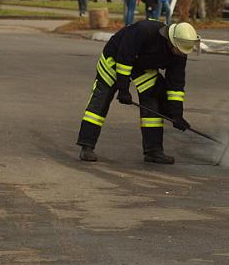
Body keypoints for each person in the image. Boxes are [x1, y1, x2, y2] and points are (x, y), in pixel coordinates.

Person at [76, 20, 199, 164]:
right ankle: (86, 146)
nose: (180, 54)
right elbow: (124, 58)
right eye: (178, 50)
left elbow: (176, 85)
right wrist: (123, 89)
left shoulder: (180, 53)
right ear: (171, 41)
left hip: (143, 66)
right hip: (115, 59)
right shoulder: (143, 31)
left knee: (153, 101)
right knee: (101, 100)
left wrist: (177, 114)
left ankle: (153, 151)